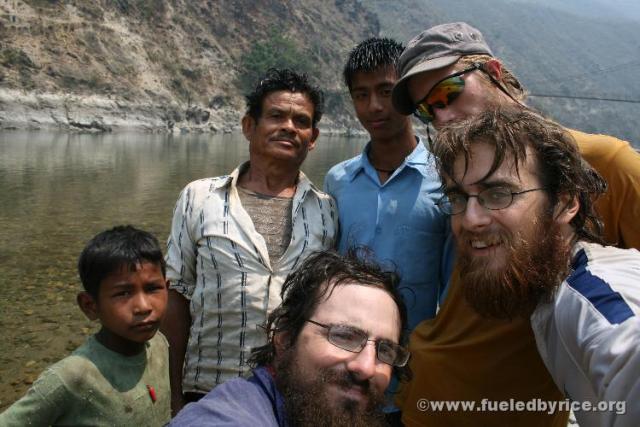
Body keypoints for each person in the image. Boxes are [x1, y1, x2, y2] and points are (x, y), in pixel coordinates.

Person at [390, 22, 640, 426]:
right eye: (427, 109)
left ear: (494, 70)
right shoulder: (460, 172)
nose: (442, 115)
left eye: (448, 92)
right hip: (423, 397)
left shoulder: (606, 163)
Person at [431, 107, 639, 426]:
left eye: (498, 193)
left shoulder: (588, 299)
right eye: (458, 198)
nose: (470, 220)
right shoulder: (550, 293)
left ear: (565, 203)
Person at [162, 68, 338, 415]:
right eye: (276, 116)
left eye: (301, 121)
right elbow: (176, 296)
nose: (289, 126)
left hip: (290, 395)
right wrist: (172, 393)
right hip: (207, 390)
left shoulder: (327, 211)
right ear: (249, 126)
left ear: (313, 137)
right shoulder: (199, 197)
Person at [324, 37, 452, 422]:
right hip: (344, 370)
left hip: (412, 376)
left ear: (410, 94)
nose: (374, 107)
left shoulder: (445, 180)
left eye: (385, 91)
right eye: (361, 95)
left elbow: (450, 285)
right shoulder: (338, 181)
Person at [169, 249, 411, 426]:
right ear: (284, 338)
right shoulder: (226, 418)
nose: (367, 367)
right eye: (345, 336)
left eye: (385, 350)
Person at [0, 225, 171, 426]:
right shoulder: (72, 377)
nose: (143, 307)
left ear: (167, 289)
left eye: (152, 289)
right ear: (90, 306)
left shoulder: (160, 344)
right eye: (123, 293)